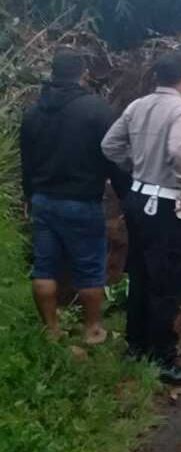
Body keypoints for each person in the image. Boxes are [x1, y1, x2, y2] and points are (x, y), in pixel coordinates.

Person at [102, 52, 181, 385]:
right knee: (167, 281)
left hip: (137, 199)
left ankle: (136, 347)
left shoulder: (137, 106)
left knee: (142, 275)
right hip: (166, 205)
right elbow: (179, 152)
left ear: (156, 78)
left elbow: (110, 145)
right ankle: (163, 358)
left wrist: (136, 167)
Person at [20, 49, 129, 345]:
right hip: (81, 202)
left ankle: (52, 331)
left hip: (43, 201)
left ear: (52, 74)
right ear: (82, 74)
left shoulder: (32, 114)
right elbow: (114, 156)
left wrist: (30, 197)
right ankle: (93, 329)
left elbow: (26, 163)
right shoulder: (96, 111)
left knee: (43, 266)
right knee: (90, 269)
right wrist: (126, 195)